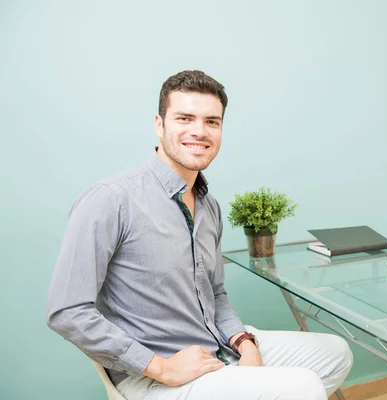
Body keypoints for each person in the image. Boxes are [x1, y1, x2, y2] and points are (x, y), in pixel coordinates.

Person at [47, 70, 353, 400]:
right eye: (185, 118)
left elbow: (216, 293)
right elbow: (67, 311)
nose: (199, 131)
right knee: (302, 387)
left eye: (212, 121)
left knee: (335, 353)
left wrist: (242, 341)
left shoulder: (210, 207)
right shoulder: (111, 199)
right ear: (159, 124)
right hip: (155, 374)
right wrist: (161, 367)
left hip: (214, 349)